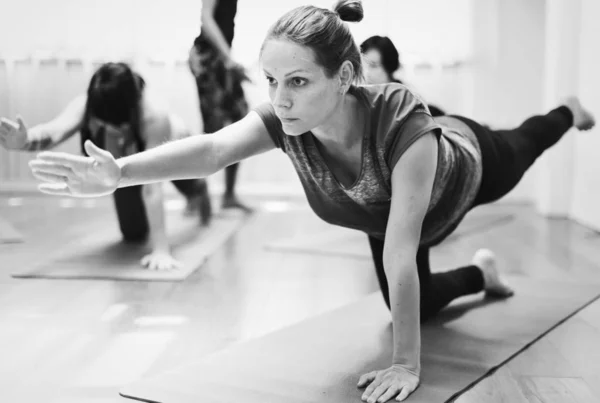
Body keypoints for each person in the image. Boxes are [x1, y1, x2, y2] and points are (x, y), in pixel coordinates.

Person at [27, 1, 595, 401]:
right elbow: (211, 151)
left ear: (345, 76)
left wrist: (406, 363)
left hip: (466, 166)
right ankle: (481, 276)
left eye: (298, 81)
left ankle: (568, 112)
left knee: (524, 144)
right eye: (271, 80)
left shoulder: (404, 126)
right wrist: (119, 172)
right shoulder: (285, 120)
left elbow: (402, 255)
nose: (280, 98)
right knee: (414, 310)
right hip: (391, 216)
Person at [0, 62, 212, 271]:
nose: (110, 128)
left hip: (171, 147)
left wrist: (161, 249)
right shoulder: (90, 103)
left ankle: (199, 190)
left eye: (115, 125)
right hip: (124, 161)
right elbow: (55, 131)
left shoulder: (154, 116)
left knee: (186, 179)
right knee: (133, 235)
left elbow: (153, 186)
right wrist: (25, 140)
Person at [188, 0, 252, 211]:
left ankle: (228, 196)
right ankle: (198, 195)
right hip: (208, 58)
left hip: (219, 60)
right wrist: (228, 58)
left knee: (240, 119)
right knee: (212, 129)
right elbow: (206, 19)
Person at [360, 35, 446, 117]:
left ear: (388, 67)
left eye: (373, 65)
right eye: (362, 65)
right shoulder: (359, 101)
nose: (366, 72)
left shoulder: (408, 104)